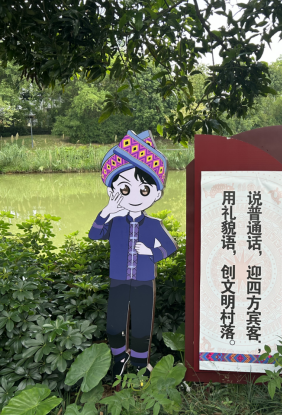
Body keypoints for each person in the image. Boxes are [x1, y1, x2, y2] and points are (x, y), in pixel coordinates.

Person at [89, 130, 177, 384]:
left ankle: (140, 364)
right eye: (125, 188)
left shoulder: (154, 224)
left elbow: (170, 246)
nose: (134, 196)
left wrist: (152, 253)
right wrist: (107, 210)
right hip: (118, 279)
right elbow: (95, 234)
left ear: (156, 194)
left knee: (141, 326)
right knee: (114, 326)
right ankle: (119, 359)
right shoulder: (115, 221)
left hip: (144, 281)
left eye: (144, 189)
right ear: (113, 190)